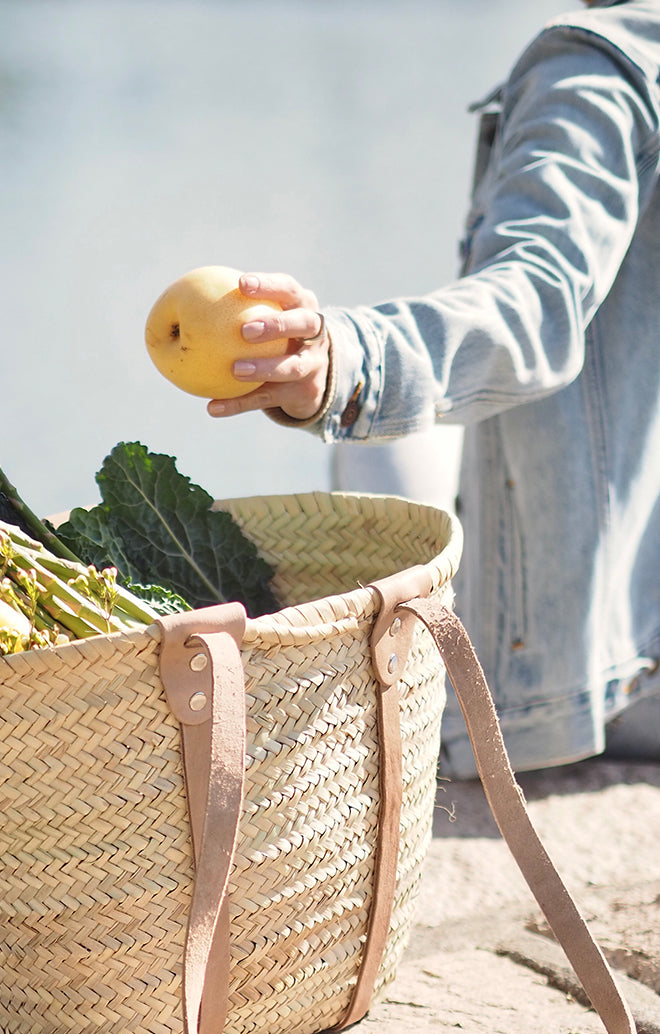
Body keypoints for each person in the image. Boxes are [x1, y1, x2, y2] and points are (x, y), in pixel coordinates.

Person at [204, 0, 660, 776]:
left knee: (392, 432)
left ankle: (398, 733)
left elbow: (538, 304)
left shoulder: (601, 67)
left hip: (615, 670)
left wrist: (347, 361)